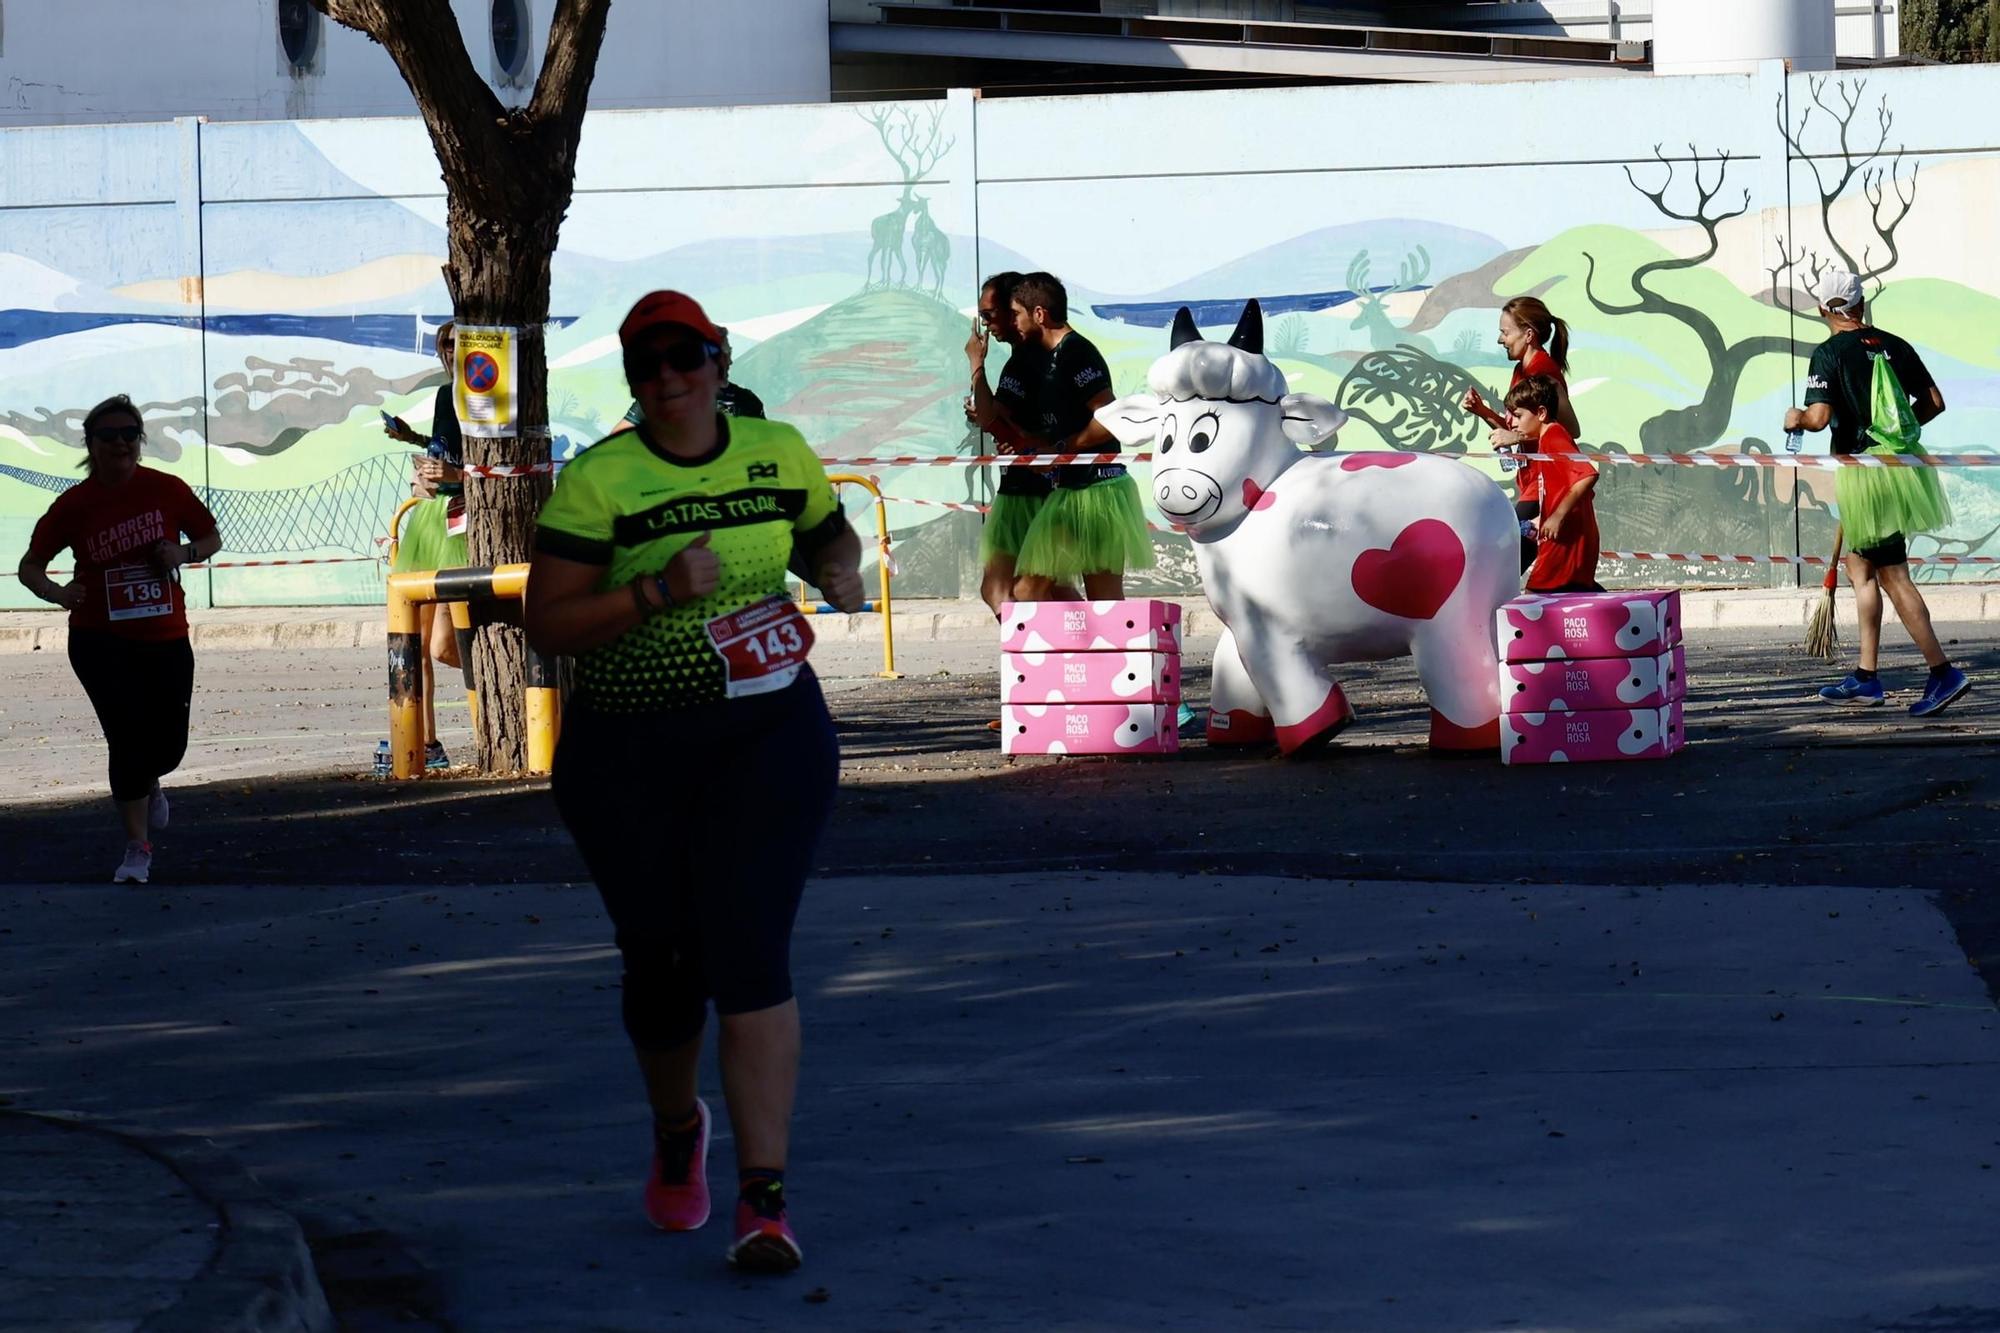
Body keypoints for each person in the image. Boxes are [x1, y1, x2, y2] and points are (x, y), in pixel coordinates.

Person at [525, 290, 864, 1274]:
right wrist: (658, 591)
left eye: (684, 357)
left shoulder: (776, 450)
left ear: (717, 362)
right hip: (627, 750)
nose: (667, 379)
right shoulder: (600, 482)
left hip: (767, 732)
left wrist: (841, 569)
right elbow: (547, 625)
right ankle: (679, 1128)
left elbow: (824, 534)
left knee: (749, 952)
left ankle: (764, 1204)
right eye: (645, 365)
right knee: (662, 970)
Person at [16, 395, 222, 884]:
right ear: (91, 444)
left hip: (165, 635)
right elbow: (30, 566)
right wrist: (59, 593)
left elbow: (211, 537)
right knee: (126, 739)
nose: (121, 443)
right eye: (109, 436)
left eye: (130, 434)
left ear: (140, 440)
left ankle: (151, 779)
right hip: (99, 640)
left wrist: (182, 551)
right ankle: (137, 848)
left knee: (168, 746)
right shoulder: (74, 504)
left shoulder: (166, 489)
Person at [1784, 266, 1969, 717]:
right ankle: (1867, 678)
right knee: (1860, 569)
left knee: (1892, 575)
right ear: (1860, 305)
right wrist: (1894, 437)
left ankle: (1944, 672)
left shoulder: (1828, 353)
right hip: (1897, 468)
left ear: (1826, 308)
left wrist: (1795, 419)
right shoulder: (1895, 344)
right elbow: (1933, 403)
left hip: (1866, 475)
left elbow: (1820, 416)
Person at [1009, 272, 1154, 599]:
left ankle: (1077, 649)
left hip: (1098, 491)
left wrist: (1060, 449)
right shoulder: (1051, 357)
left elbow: (1108, 417)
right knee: (1038, 592)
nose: (1012, 322)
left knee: (1037, 594)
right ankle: (1070, 649)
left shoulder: (1076, 353)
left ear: (1039, 314)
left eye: (1016, 313)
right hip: (1075, 488)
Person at [963, 270, 1074, 614]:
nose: (986, 324)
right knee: (1045, 588)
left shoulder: (1030, 360)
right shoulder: (1026, 359)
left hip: (1037, 488)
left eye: (990, 314)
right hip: (1026, 484)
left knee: (1013, 590)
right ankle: (1083, 655)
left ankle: (1035, 660)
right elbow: (995, 417)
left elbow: (992, 417)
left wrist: (976, 365)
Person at [383, 321, 468, 771]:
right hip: (428, 516)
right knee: (411, 641)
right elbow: (446, 453)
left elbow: (501, 465)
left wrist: (455, 478)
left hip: (463, 521)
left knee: (446, 646)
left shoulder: (490, 399)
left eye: (458, 343)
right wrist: (416, 446)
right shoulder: (443, 395)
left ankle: (511, 692)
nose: (451, 351)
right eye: (445, 344)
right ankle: (426, 744)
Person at [1462, 297, 1581, 571]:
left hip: (1546, 483)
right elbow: (1517, 428)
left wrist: (1515, 438)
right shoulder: (1520, 371)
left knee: (1508, 561)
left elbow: (1570, 429)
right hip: (1529, 480)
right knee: (1519, 561)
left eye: (1505, 332)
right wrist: (1482, 411)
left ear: (1528, 335)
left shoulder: (1545, 373)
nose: (1500, 340)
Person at [1505, 375, 1601, 594]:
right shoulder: (1545, 440)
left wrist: (1557, 516)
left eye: (1519, 416)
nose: (1513, 423)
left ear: (1541, 413)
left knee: (1536, 599)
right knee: (1575, 595)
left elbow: (1587, 475)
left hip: (1565, 544)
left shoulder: (1554, 436)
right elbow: (1560, 490)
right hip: (1566, 539)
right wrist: (1541, 520)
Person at [620, 325, 765, 432]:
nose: (729, 362)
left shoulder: (747, 401)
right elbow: (617, 438)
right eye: (720, 357)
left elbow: (767, 448)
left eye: (729, 354)